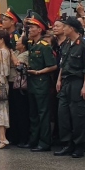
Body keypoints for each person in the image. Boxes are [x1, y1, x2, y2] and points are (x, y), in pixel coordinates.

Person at [54, 18, 85, 158]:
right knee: (63, 114)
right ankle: (67, 144)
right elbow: (62, 64)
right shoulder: (66, 44)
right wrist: (59, 79)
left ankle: (79, 146)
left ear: (72, 28)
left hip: (78, 82)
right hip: (65, 81)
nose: (63, 29)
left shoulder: (84, 45)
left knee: (78, 116)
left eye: (65, 26)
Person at [21, 14, 57, 152]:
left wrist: (39, 72)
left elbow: (53, 66)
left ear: (40, 30)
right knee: (33, 114)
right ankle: (34, 140)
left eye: (33, 27)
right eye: (29, 27)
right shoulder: (31, 44)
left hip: (41, 82)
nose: (30, 29)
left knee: (43, 114)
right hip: (32, 82)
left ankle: (44, 142)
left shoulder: (44, 46)